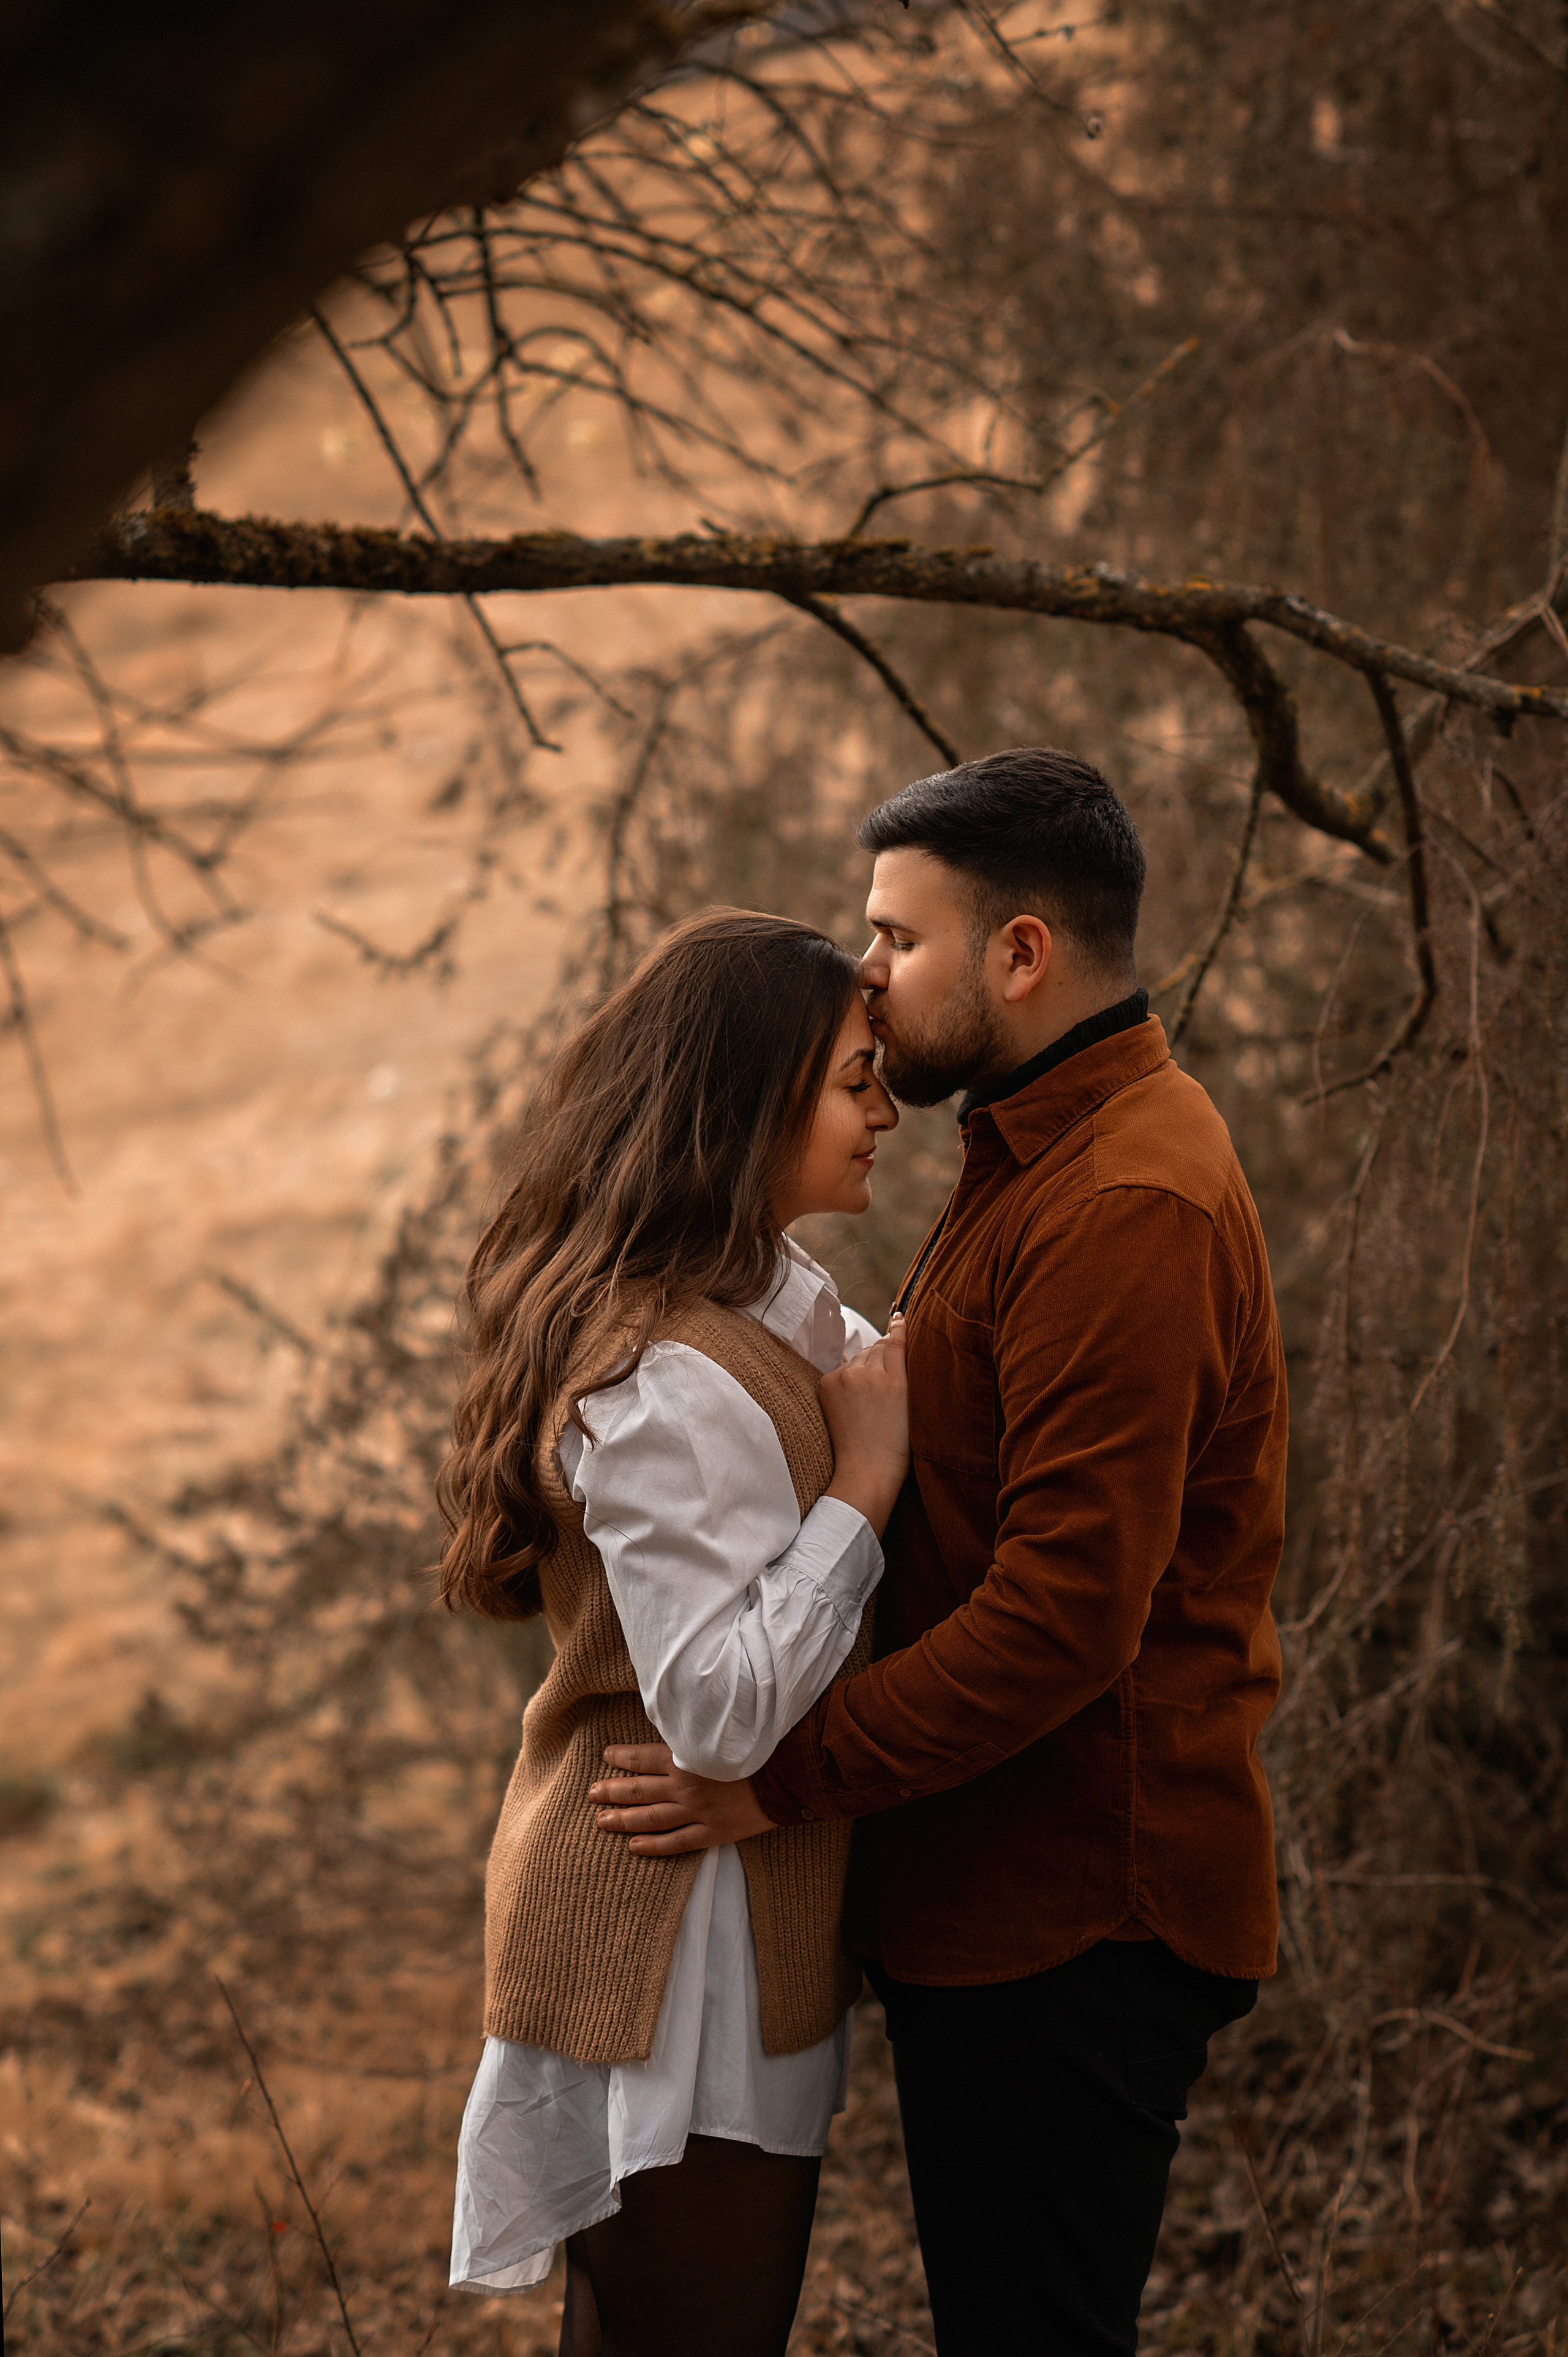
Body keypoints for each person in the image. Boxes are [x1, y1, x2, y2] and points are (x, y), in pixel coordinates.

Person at [589, 749, 1289, 2357]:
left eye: (897, 939)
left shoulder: (1128, 1202)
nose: (870, 978)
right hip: (1002, 1893)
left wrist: (773, 1778)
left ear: (1021, 954)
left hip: (1079, 1911)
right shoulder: (1037, 1156)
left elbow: (1062, 1621)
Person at [435, 908, 911, 2357]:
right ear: (746, 1101)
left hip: (720, 1909)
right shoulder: (659, 1381)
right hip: (666, 1940)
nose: (885, 1108)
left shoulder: (761, 1293)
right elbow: (712, 1711)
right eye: (853, 1078)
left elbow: (840, 1365)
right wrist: (871, 1481)